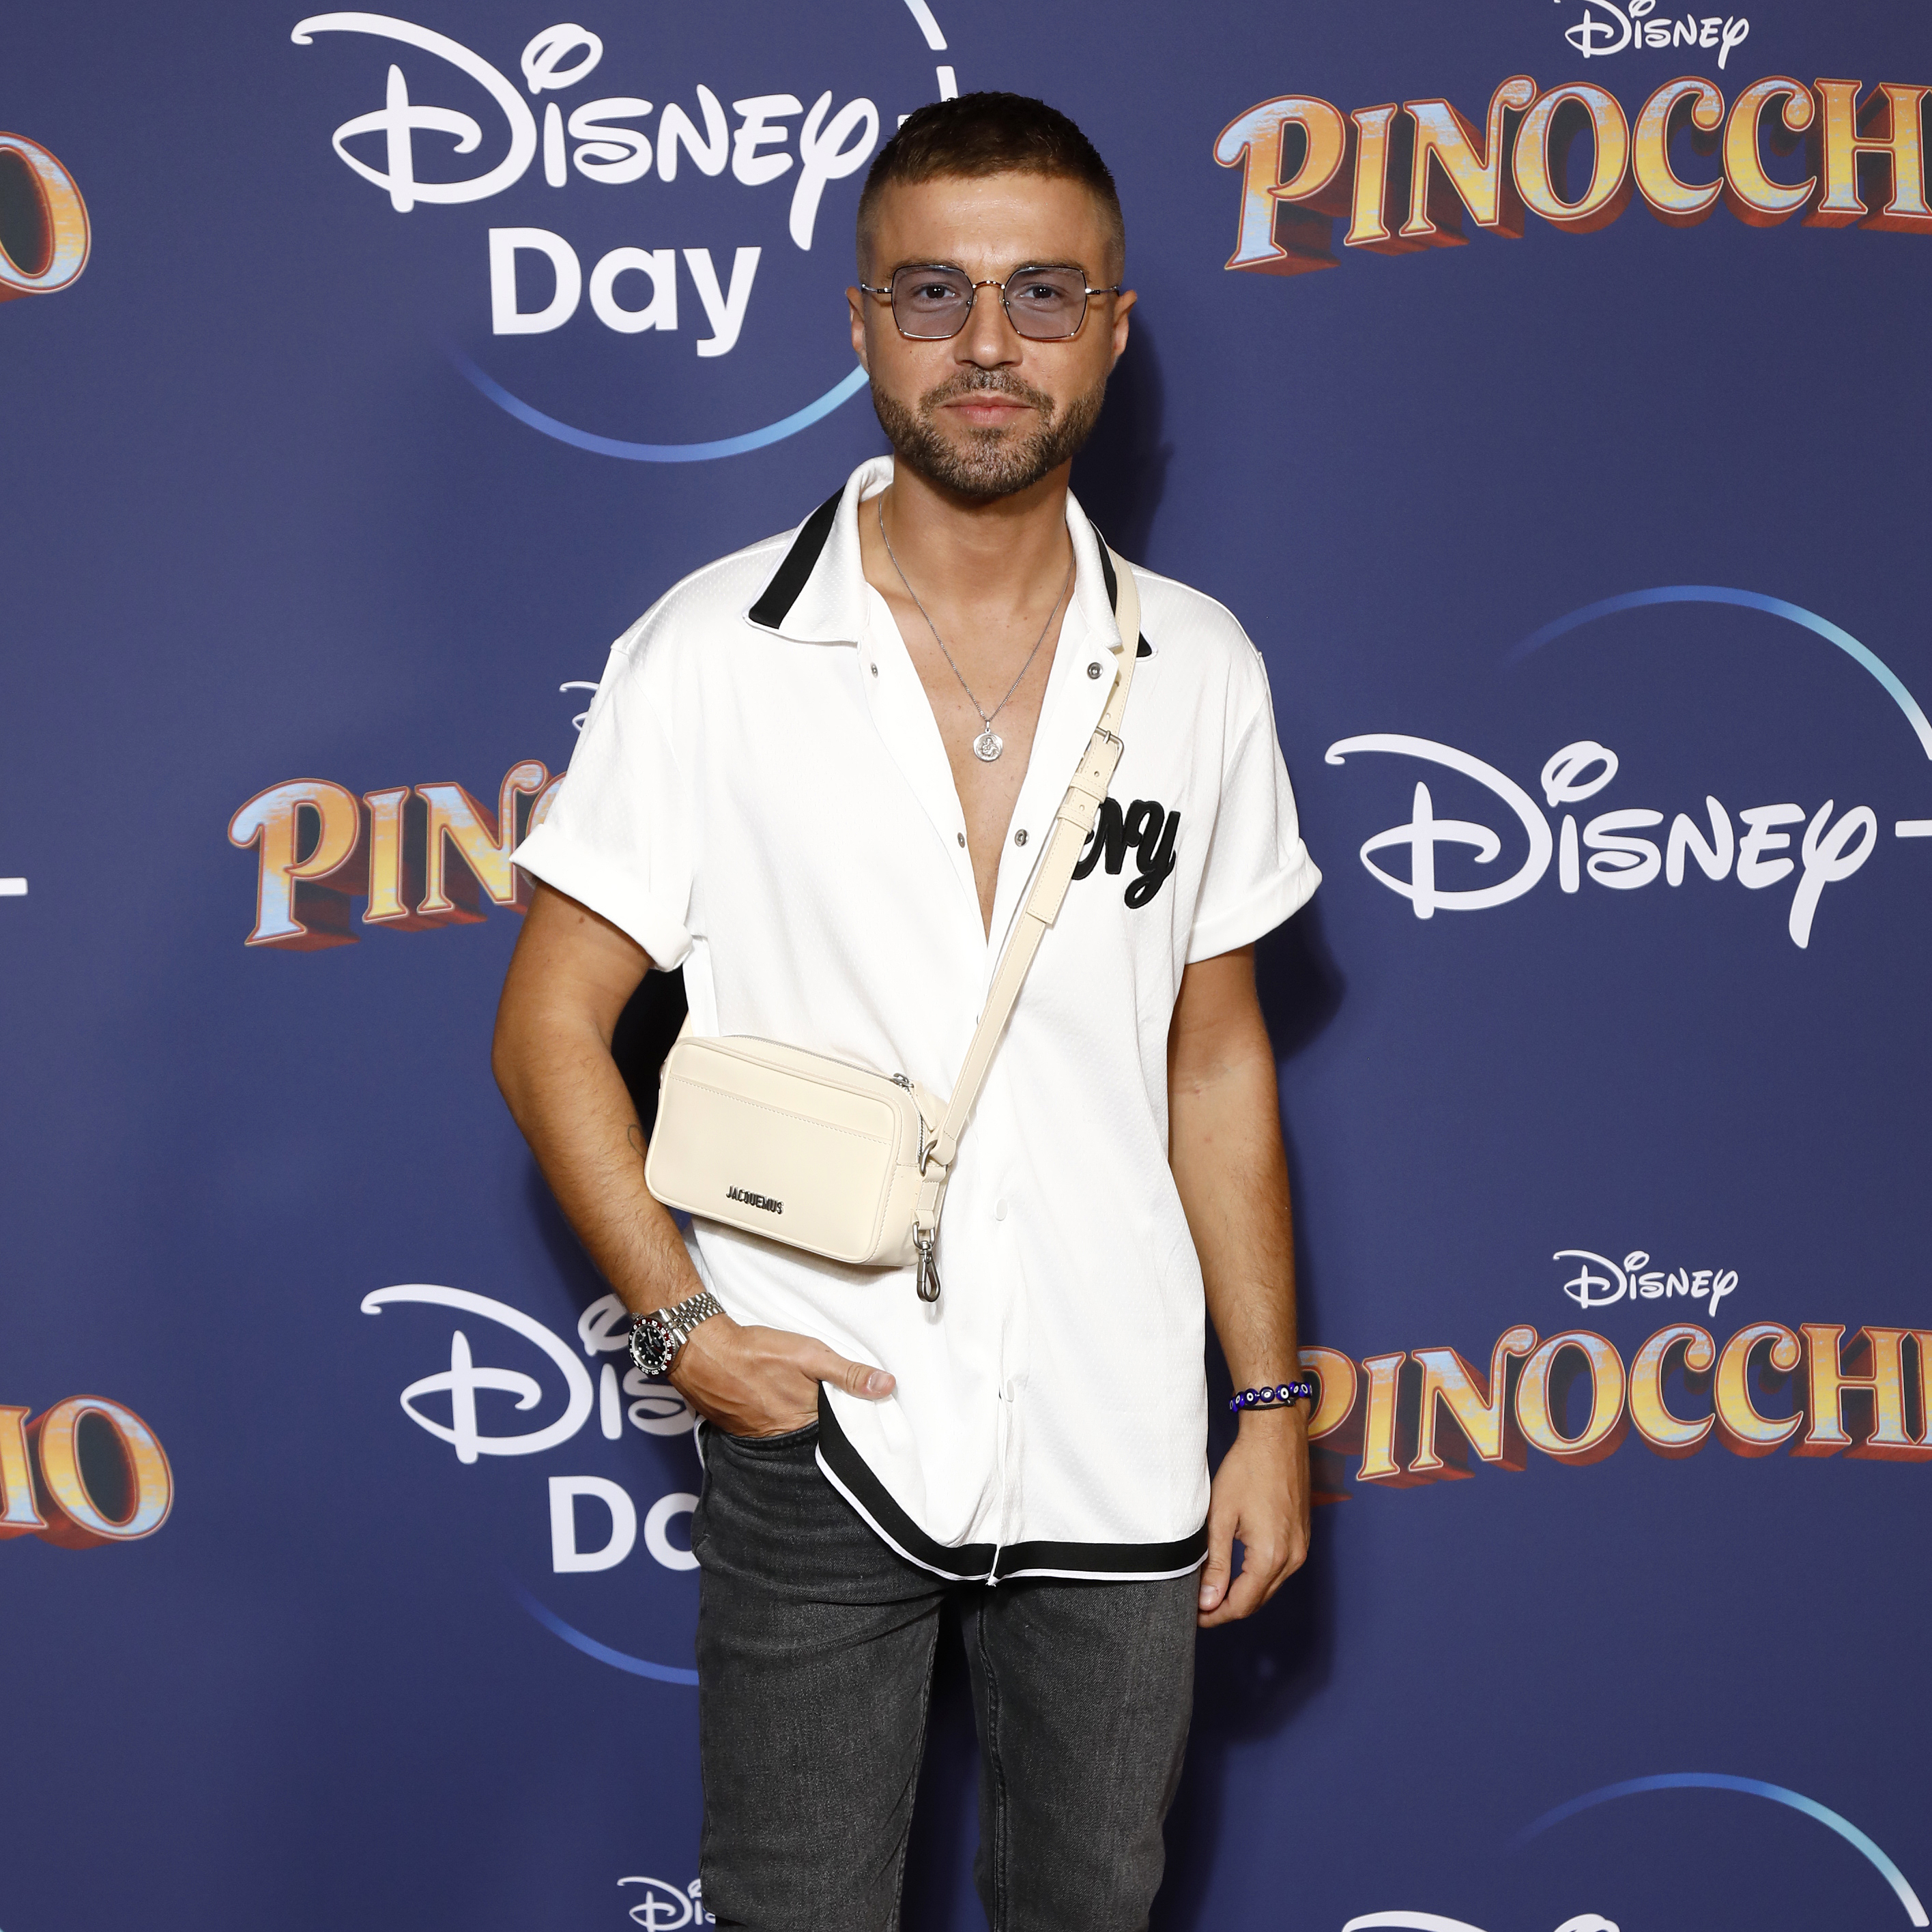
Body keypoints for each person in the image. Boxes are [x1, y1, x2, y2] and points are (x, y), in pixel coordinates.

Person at [495, 90, 1320, 1932]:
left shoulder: (1201, 667)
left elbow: (1214, 1060)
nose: (989, 345)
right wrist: (683, 1326)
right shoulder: (711, 651)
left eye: (1043, 293)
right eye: (935, 293)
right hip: (822, 1429)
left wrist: (1269, 1401)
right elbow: (547, 1027)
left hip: (1117, 1426)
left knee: (1091, 1908)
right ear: (864, 322)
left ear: (1114, 326)